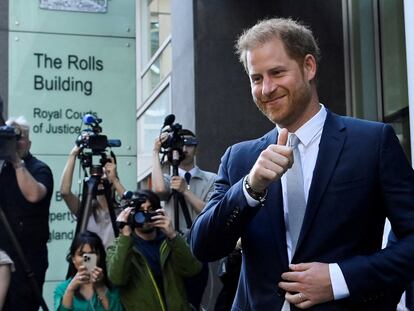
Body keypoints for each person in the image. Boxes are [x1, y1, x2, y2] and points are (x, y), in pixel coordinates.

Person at [189, 17, 414, 310]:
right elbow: (203, 246)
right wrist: (249, 188)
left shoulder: (372, 142)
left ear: (309, 66)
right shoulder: (239, 158)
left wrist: (339, 279)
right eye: (256, 78)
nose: (267, 88)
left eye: (277, 73)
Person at [152, 129, 217, 310]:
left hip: (199, 244)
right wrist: (155, 152)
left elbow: (211, 211)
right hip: (172, 243)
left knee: (195, 299)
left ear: (196, 148)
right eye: (180, 145)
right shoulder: (167, 177)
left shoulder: (211, 179)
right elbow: (158, 190)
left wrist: (185, 191)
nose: (184, 149)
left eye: (188, 144)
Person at [106, 189, 202, 311]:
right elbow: (117, 278)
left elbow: (193, 269)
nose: (146, 216)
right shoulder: (119, 247)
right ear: (130, 214)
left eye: (151, 210)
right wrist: (125, 237)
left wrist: (173, 235)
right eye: (140, 212)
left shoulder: (171, 241)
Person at [0, 116, 53, 311]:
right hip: (3, 255)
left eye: (19, 137)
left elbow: (33, 195)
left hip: (28, 257)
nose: (15, 142)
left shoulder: (39, 168)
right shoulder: (1, 168)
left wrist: (16, 161)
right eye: (10, 138)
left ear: (28, 142)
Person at [60, 145, 126, 249]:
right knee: (88, 261)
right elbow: (65, 192)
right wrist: (72, 155)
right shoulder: (86, 210)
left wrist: (114, 180)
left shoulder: (122, 211)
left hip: (115, 262)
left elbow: (134, 207)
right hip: (90, 261)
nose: (101, 178)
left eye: (106, 174)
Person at [54, 230, 123, 311]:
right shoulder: (62, 289)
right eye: (81, 254)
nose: (87, 258)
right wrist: (71, 289)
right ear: (73, 259)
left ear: (100, 257)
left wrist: (100, 287)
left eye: (92, 254)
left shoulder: (112, 286)